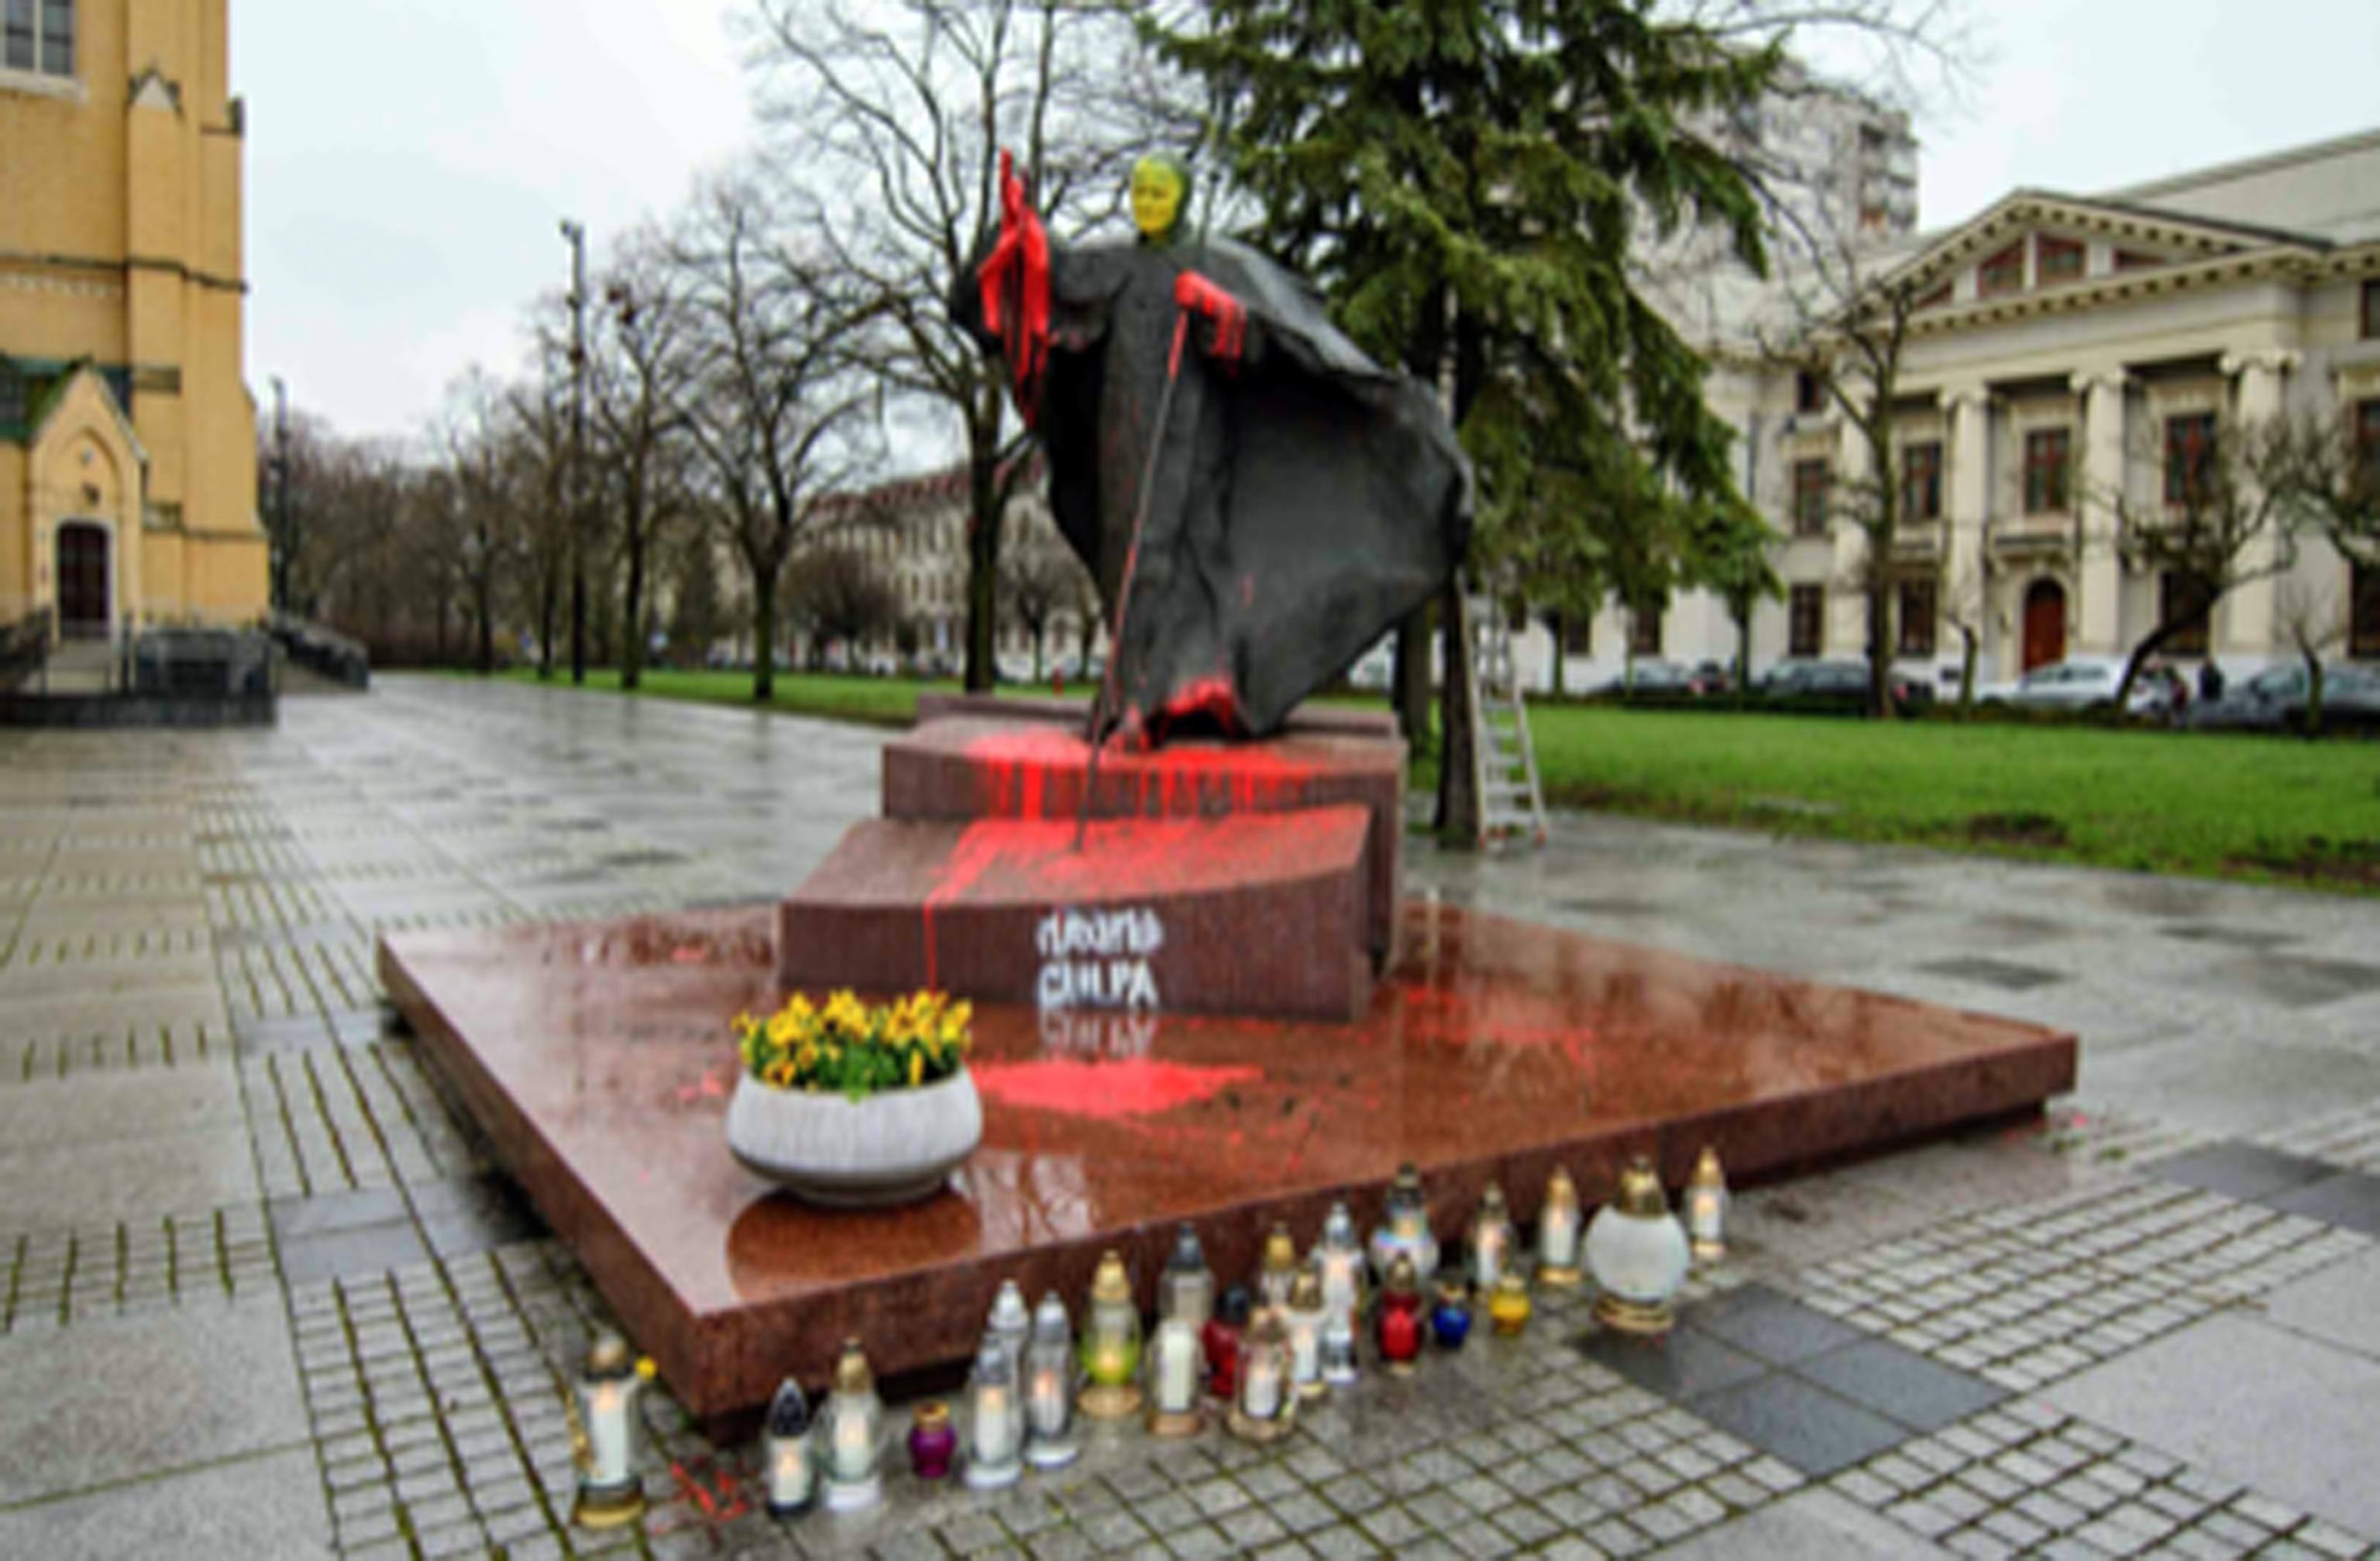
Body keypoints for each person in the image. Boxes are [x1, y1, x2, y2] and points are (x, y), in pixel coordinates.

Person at [952, 151, 1470, 741]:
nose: (1145, 204)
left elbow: (1277, 339)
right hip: (1127, 433)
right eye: (1139, 193)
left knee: (1189, 558)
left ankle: (1184, 689)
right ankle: (1133, 694)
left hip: (1198, 437)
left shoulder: (1220, 262)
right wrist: (1023, 234)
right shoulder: (1117, 264)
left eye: (1158, 194)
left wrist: (1225, 318)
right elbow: (1053, 285)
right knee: (1129, 556)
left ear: (1182, 199)